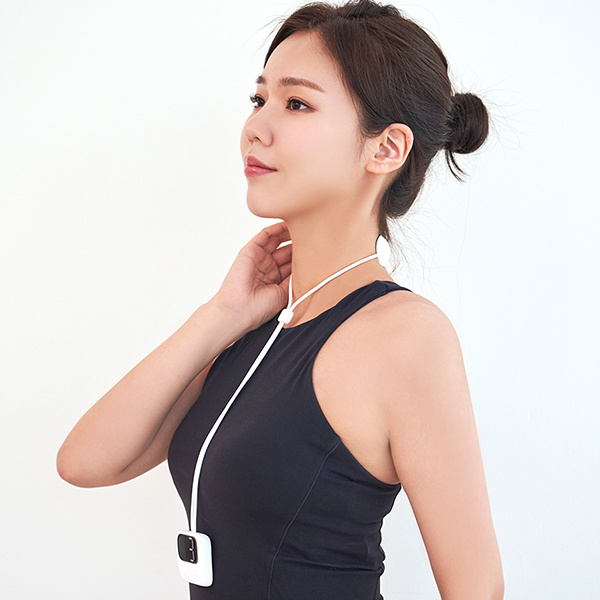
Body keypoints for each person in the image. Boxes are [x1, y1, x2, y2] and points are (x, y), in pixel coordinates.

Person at [57, 0, 504, 598]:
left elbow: (477, 588)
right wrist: (220, 315)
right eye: (258, 98)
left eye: (296, 104)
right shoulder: (253, 325)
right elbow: (87, 462)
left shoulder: (406, 337)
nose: (256, 127)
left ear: (386, 149)